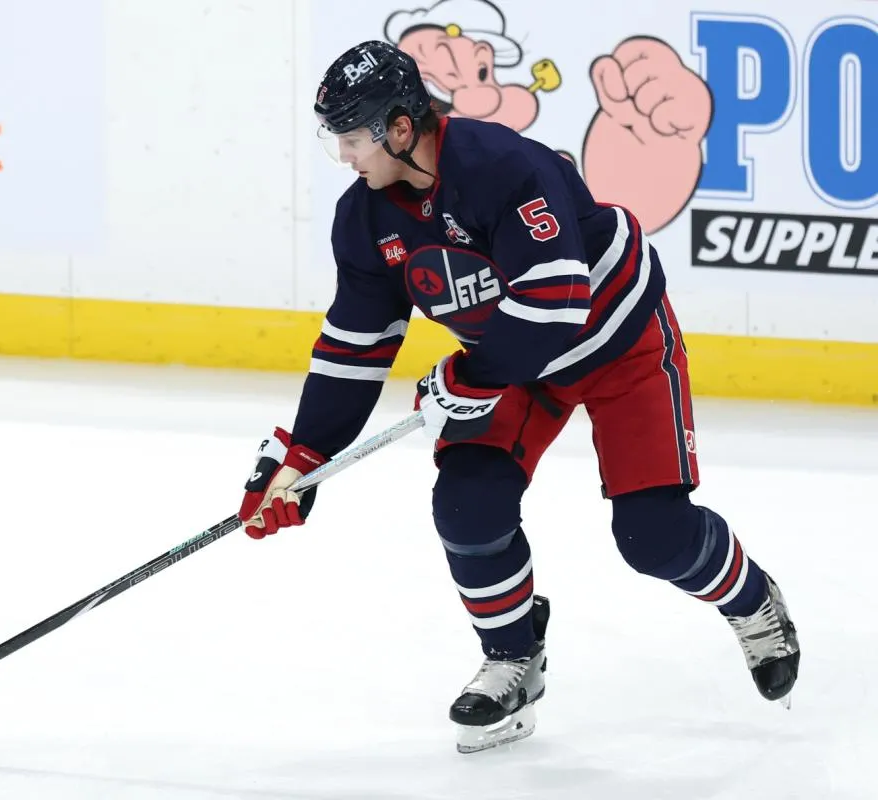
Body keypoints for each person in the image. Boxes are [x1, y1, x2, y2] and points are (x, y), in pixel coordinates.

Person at [235, 40, 800, 754]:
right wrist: (302, 453)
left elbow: (556, 303)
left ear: (400, 129)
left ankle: (754, 604)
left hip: (617, 343)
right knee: (468, 505)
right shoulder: (367, 220)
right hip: (514, 364)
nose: (345, 157)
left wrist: (466, 381)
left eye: (352, 139)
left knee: (653, 536)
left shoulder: (504, 167)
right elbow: (355, 345)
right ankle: (512, 657)